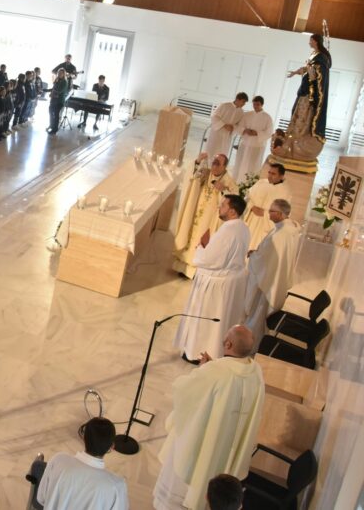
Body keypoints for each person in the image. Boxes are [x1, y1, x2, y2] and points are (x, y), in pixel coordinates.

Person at [154, 325, 264, 510]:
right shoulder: (256, 372)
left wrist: (204, 369)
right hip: (229, 444)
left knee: (192, 467)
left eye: (226, 337)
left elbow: (184, 390)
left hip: (205, 438)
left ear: (228, 344)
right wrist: (211, 368)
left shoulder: (215, 371)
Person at [174, 194, 250, 363]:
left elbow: (210, 260)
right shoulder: (243, 228)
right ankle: (213, 351)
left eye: (223, 205)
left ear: (232, 211)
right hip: (230, 281)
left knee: (205, 322)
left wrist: (201, 247)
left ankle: (197, 352)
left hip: (215, 284)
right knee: (219, 321)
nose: (219, 207)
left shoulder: (227, 231)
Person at [35, 416, 128, 509]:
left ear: (83, 437)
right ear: (111, 447)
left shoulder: (58, 460)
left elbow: (41, 498)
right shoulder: (117, 487)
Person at [244, 198, 300, 346]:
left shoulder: (282, 234)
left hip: (268, 281)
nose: (268, 214)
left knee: (258, 314)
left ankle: (250, 344)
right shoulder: (287, 229)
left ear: (280, 214)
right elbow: (270, 255)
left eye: (271, 211)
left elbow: (268, 259)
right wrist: (257, 253)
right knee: (259, 315)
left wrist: (254, 256)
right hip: (274, 276)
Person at [173, 154, 238, 278]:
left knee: (202, 240)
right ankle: (182, 266)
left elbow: (234, 199)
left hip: (210, 219)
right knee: (189, 234)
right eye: (213, 162)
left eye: (218, 164)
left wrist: (223, 190)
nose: (214, 166)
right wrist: (198, 161)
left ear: (224, 166)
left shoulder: (230, 182)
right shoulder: (206, 173)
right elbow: (192, 177)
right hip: (195, 211)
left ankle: (195, 270)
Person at [273, 32, 331, 167]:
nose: (309, 43)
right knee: (298, 113)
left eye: (311, 40)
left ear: (316, 41)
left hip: (310, 94)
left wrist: (312, 75)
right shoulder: (314, 55)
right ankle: (292, 136)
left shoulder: (322, 58)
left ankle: (298, 138)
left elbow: (317, 75)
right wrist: (295, 72)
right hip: (304, 91)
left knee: (304, 116)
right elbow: (307, 68)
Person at [243, 163, 291, 251]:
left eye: (273, 174)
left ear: (281, 176)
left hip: (265, 227)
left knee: (255, 250)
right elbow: (247, 197)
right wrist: (251, 206)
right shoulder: (261, 183)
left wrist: (264, 213)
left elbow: (283, 214)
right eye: (269, 172)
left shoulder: (285, 192)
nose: (269, 176)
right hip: (250, 221)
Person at [231, 95, 273, 182]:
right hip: (245, 143)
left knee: (253, 166)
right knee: (240, 163)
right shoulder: (247, 114)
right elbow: (239, 126)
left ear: (262, 105)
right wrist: (245, 130)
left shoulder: (267, 117)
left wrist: (257, 133)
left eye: (257, 104)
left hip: (257, 146)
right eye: (254, 104)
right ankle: (236, 181)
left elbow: (269, 132)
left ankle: (249, 183)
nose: (255, 106)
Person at [205, 94, 248, 160]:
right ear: (237, 99)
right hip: (217, 133)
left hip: (227, 136)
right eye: (243, 102)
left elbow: (239, 125)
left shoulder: (241, 112)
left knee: (222, 153)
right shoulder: (224, 105)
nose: (244, 104)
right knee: (211, 151)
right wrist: (224, 125)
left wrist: (233, 127)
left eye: (245, 102)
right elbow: (214, 116)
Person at [47, 69, 70, 135]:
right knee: (51, 112)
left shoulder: (64, 82)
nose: (59, 74)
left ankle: (54, 129)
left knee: (56, 115)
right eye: (59, 73)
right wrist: (47, 90)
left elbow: (59, 91)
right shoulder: (57, 80)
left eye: (61, 73)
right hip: (53, 100)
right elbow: (53, 88)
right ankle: (51, 125)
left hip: (59, 101)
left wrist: (52, 93)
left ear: (64, 74)